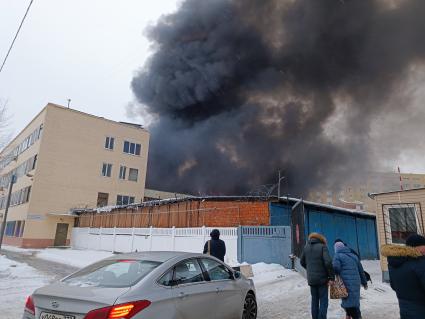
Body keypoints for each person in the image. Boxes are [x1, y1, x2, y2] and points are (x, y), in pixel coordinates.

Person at [381, 234, 425, 319]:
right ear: (417, 247)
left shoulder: (395, 263)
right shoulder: (420, 263)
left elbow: (394, 286)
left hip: (405, 311)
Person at [300, 233, 335, 319]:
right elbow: (328, 262)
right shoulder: (322, 247)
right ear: (321, 239)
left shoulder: (306, 247)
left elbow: (302, 262)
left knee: (314, 301)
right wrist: (331, 277)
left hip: (312, 279)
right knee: (323, 301)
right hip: (322, 279)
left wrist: (310, 269)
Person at [333, 241, 367, 319]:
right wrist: (364, 282)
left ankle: (356, 316)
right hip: (356, 282)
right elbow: (361, 270)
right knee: (354, 301)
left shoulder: (337, 256)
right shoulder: (354, 256)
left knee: (348, 303)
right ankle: (354, 316)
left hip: (345, 283)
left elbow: (336, 268)